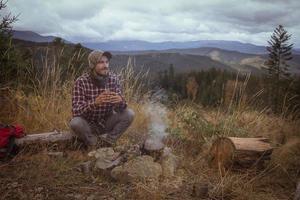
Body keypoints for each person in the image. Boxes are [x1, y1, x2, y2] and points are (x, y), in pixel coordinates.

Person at [69, 50, 135, 149]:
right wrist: (94, 103)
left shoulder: (113, 79)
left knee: (129, 114)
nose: (105, 65)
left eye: (107, 62)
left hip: (106, 122)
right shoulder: (81, 82)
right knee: (75, 123)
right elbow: (76, 111)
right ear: (92, 65)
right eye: (101, 62)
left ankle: (108, 142)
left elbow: (122, 109)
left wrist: (120, 101)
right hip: (88, 125)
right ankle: (94, 144)